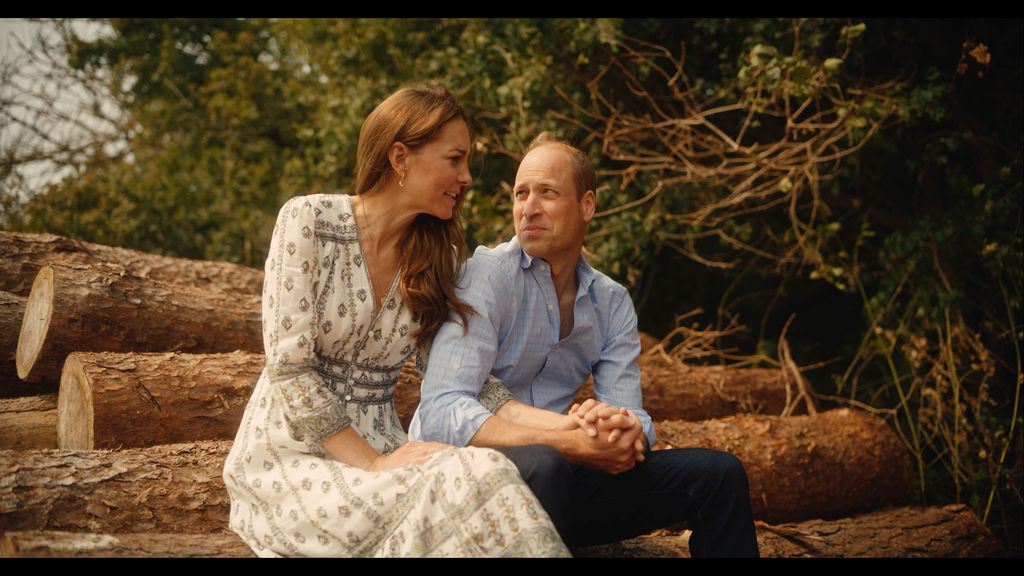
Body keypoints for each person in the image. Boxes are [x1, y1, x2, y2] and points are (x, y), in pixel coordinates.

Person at [222, 85, 569, 558]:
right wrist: (373, 464)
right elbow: (290, 370)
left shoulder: (438, 253)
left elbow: (458, 372)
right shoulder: (308, 219)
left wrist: (562, 429)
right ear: (401, 157)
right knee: (473, 481)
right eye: (455, 159)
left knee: (485, 472)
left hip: (387, 448)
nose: (466, 177)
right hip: (289, 458)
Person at [410, 132, 760, 557]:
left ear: (587, 205)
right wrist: (566, 442)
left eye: (548, 193)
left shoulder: (611, 302)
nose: (529, 208)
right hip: (471, 484)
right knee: (547, 463)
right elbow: (441, 409)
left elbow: (632, 411)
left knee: (719, 474)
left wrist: (626, 429)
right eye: (521, 193)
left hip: (566, 480)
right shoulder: (486, 277)